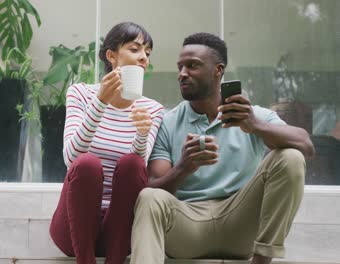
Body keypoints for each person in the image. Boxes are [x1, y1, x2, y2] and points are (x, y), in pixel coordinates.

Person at [130, 32, 315, 264]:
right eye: (180, 67)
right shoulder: (167, 122)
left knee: (291, 157)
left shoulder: (252, 115)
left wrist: (255, 126)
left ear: (218, 70)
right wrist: (184, 167)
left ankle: (262, 259)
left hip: (241, 224)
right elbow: (154, 186)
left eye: (192, 66)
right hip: (187, 227)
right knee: (149, 196)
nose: (182, 74)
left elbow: (305, 145)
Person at [49, 22, 165, 264]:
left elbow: (138, 171)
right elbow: (71, 159)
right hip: (74, 230)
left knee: (133, 163)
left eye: (147, 53)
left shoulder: (152, 109)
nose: (143, 57)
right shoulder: (80, 94)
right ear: (111, 56)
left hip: (119, 232)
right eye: (135, 49)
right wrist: (100, 102)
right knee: (87, 163)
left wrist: (142, 134)